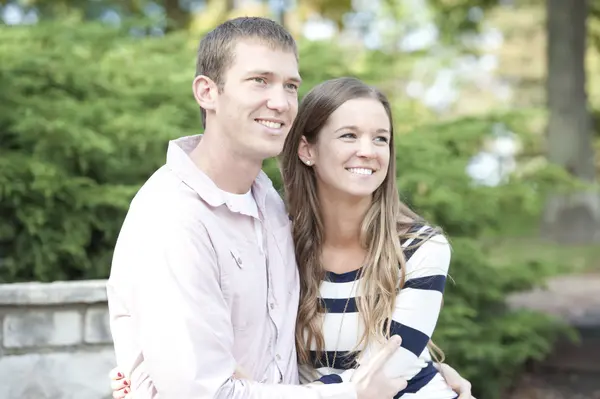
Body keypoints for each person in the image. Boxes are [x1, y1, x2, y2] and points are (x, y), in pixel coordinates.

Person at [107, 16, 474, 399]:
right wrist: (357, 391)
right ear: (207, 92)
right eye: (259, 81)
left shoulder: (268, 206)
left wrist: (423, 372)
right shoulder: (173, 219)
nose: (280, 102)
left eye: (291, 86)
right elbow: (203, 392)